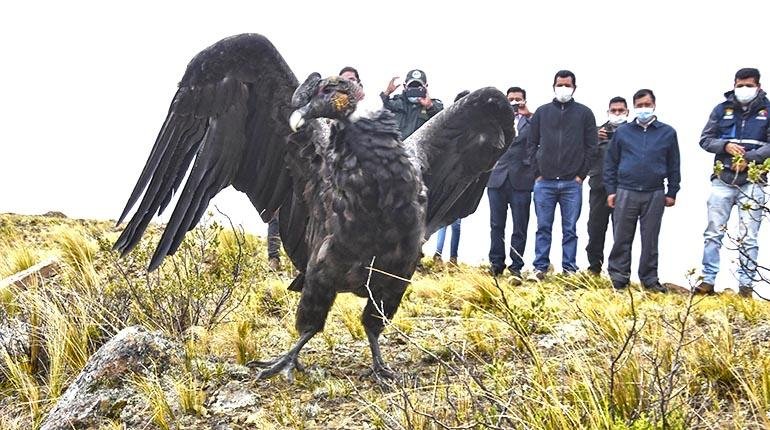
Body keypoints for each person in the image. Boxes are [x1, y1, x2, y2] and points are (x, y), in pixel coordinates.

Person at [267, 66, 366, 272]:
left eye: (353, 81)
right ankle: (279, 258)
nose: (349, 84)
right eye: (344, 80)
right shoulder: (325, 114)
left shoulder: (371, 122)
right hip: (321, 184)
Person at [694, 68, 770, 298]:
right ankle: (707, 280)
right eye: (740, 85)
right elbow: (705, 139)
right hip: (723, 178)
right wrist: (725, 147)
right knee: (713, 232)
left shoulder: (767, 111)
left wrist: (748, 159)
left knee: (749, 236)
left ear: (757, 85)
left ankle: (745, 286)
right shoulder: (721, 109)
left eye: (748, 85)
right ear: (734, 84)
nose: (743, 89)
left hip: (753, 180)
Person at [604, 89, 680, 292]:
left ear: (654, 105)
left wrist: (672, 191)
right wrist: (611, 190)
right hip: (625, 191)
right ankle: (619, 278)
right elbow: (611, 163)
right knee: (621, 237)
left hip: (654, 192)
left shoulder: (667, 132)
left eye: (647, 105)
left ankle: (649, 280)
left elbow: (674, 164)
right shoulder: (623, 132)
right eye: (639, 106)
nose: (643, 109)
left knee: (650, 239)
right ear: (634, 107)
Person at [527, 70, 598, 279]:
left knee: (570, 229)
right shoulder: (542, 112)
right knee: (543, 227)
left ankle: (569, 269)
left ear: (574, 87)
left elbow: (591, 146)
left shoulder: (585, 113)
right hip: (544, 182)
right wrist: (537, 172)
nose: (563, 88)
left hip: (571, 183)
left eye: (567, 85)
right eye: (560, 84)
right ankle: (540, 267)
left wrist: (581, 175)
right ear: (553, 86)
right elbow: (532, 144)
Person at [487, 86, 534, 279]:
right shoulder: (496, 122)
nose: (514, 102)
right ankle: (496, 264)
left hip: (521, 180)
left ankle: (516, 266)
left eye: (518, 99)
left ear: (524, 100)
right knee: (497, 225)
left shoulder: (531, 122)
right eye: (511, 99)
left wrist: (529, 114)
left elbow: (541, 138)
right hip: (496, 178)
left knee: (519, 226)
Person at [586, 97, 629, 275]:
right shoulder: (597, 131)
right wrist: (595, 139)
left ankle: (618, 270)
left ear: (627, 112)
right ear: (608, 111)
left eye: (621, 110)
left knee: (621, 231)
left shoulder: (633, 133)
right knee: (595, 228)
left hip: (624, 188)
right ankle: (594, 267)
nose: (617, 113)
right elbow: (585, 154)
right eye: (614, 110)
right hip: (599, 187)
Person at [433, 91, 471, 267]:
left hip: (463, 179)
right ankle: (438, 254)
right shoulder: (449, 125)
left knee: (455, 221)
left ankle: (453, 258)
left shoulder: (476, 129)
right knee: (442, 218)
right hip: (446, 178)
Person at [380, 69, 443, 139]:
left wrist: (429, 106)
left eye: (418, 87)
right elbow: (382, 110)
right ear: (405, 86)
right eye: (411, 86)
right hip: (396, 147)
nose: (414, 89)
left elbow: (443, 122)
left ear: (426, 86)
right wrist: (387, 93)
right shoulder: (395, 103)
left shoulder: (435, 105)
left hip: (419, 148)